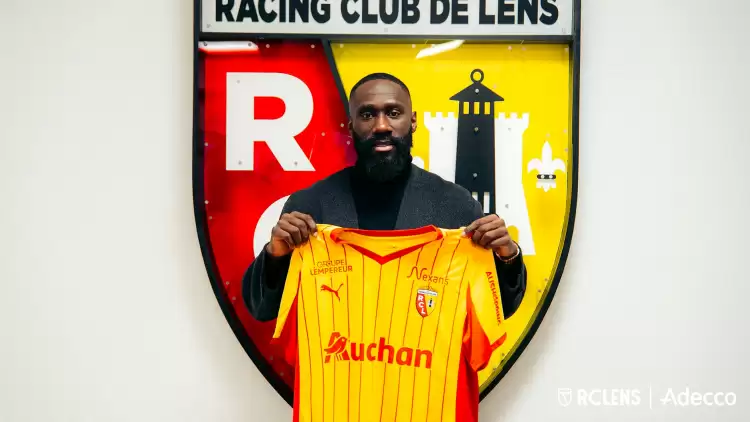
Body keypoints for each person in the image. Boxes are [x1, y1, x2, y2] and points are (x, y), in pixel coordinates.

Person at [243, 72, 526, 323]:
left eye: (393, 112)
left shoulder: (456, 206)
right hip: (337, 365)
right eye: (367, 115)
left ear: (413, 121)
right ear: (351, 126)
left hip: (425, 365)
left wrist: (507, 257)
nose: (381, 126)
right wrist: (275, 256)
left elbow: (497, 309)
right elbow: (262, 309)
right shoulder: (310, 207)